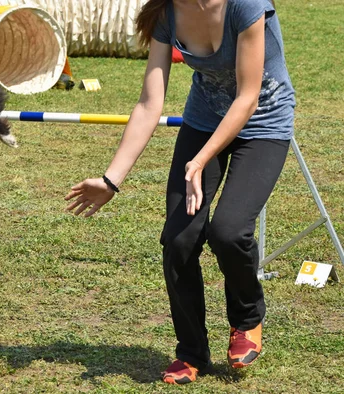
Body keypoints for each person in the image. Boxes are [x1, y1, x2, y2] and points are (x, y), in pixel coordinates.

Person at [65, 0, 295, 385]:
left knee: (229, 230)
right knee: (179, 240)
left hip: (263, 126)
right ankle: (192, 352)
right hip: (203, 122)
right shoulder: (167, 14)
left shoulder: (247, 6)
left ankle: (247, 319)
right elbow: (148, 103)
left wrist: (200, 160)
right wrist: (110, 180)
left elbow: (247, 97)